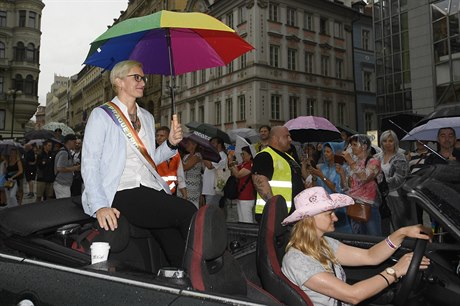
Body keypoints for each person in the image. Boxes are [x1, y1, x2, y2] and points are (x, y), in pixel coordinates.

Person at [81, 60, 196, 267]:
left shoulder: (147, 117)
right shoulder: (102, 115)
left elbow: (150, 159)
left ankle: (187, 278)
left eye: (143, 77)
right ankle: (200, 267)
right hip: (120, 189)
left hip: (148, 187)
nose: (143, 82)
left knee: (172, 241)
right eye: (136, 77)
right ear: (119, 82)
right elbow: (90, 163)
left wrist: (170, 143)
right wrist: (100, 205)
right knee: (187, 212)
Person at [281, 186, 431, 306]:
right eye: (329, 214)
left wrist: (401, 233)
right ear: (309, 219)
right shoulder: (297, 260)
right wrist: (395, 270)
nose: (335, 217)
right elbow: (353, 295)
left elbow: (370, 256)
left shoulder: (323, 243)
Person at [252, 126, 304, 219]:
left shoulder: (290, 158)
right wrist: (275, 209)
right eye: (287, 136)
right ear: (275, 139)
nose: (290, 139)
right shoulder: (264, 156)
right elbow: (260, 184)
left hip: (292, 214)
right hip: (273, 215)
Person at [342, 134, 382, 235]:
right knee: (359, 237)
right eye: (351, 145)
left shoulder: (373, 161)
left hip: (369, 206)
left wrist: (350, 161)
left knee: (373, 237)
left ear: (364, 146)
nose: (352, 148)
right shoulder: (353, 163)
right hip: (354, 205)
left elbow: (365, 177)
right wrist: (342, 174)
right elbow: (347, 185)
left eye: (355, 144)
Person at [375, 130, 413, 232]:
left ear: (395, 142)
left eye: (390, 141)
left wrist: (381, 183)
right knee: (383, 229)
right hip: (380, 198)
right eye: (385, 141)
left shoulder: (400, 157)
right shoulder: (377, 157)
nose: (387, 144)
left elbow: (399, 179)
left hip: (396, 197)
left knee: (400, 228)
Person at [311, 142, 351, 233]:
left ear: (335, 153)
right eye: (324, 151)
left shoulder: (341, 168)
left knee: (341, 235)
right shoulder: (322, 167)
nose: (325, 154)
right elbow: (316, 187)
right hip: (324, 206)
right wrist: (314, 176)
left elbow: (337, 189)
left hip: (338, 206)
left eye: (328, 151)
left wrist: (322, 176)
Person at [155, 126, 187, 198]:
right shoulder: (152, 154)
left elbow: (180, 176)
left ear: (168, 137)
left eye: (162, 136)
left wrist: (184, 195)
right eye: (157, 135)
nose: (159, 138)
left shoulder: (176, 155)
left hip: (171, 193)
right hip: (157, 192)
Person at [229, 146, 256, 223]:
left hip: (247, 197)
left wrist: (231, 162)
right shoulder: (243, 164)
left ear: (250, 155)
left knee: (247, 220)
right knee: (241, 221)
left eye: (244, 154)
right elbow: (233, 171)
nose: (242, 156)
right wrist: (232, 163)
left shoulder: (250, 164)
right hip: (240, 195)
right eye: (241, 154)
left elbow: (238, 174)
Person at [201, 136, 228, 206]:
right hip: (210, 188)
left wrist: (203, 154)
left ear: (219, 145)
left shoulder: (221, 156)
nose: (211, 145)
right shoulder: (216, 155)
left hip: (213, 189)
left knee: (211, 210)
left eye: (213, 143)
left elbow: (209, 166)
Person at [54, 134, 80, 199]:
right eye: (74, 142)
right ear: (69, 142)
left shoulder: (66, 152)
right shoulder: (64, 153)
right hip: (62, 184)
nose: (76, 144)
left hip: (64, 184)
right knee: (63, 205)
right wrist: (74, 168)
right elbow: (60, 168)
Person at [180, 136, 202, 209]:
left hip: (192, 187)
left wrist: (177, 159)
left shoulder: (197, 156)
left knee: (192, 206)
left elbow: (185, 167)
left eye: (188, 144)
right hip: (183, 185)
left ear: (194, 145)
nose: (186, 145)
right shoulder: (186, 156)